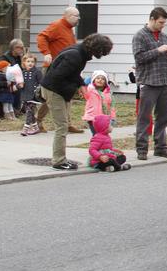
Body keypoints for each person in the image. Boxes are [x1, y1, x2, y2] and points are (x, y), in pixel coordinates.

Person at [39, 33, 113, 171]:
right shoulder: (75, 55)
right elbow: (57, 77)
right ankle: (59, 161)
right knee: (62, 126)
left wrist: (81, 85)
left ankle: (61, 159)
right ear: (96, 48)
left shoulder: (79, 52)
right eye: (102, 51)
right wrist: (73, 89)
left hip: (58, 90)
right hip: (54, 91)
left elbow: (72, 73)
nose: (102, 55)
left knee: (64, 124)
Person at [132, 7, 167, 161]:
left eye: (164, 23)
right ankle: (142, 149)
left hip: (165, 80)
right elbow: (139, 58)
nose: (162, 25)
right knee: (144, 117)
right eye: (160, 22)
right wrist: (158, 50)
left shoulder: (164, 36)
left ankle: (161, 148)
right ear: (152, 19)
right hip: (149, 81)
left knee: (164, 117)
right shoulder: (140, 36)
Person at [36, 6, 81, 134]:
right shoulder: (57, 25)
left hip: (66, 69)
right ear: (68, 16)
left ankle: (67, 123)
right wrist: (46, 53)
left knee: (68, 94)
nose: (79, 19)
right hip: (53, 68)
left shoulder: (69, 30)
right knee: (49, 97)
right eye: (76, 16)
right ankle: (37, 121)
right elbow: (41, 37)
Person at [18, 53, 44, 136]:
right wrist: (19, 85)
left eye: (32, 61)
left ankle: (26, 128)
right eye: (28, 61)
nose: (30, 63)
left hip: (33, 95)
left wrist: (40, 91)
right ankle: (36, 128)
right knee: (30, 112)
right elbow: (19, 84)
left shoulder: (37, 72)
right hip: (25, 94)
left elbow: (42, 83)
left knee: (29, 111)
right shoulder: (22, 73)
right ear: (24, 63)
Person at [82, 70, 115, 134]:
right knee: (96, 135)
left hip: (104, 119)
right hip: (92, 118)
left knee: (104, 135)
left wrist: (112, 118)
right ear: (93, 80)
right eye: (98, 78)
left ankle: (103, 144)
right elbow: (83, 87)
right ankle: (95, 144)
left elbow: (111, 106)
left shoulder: (108, 93)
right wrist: (86, 81)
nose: (100, 80)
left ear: (106, 82)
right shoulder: (90, 90)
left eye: (103, 79)